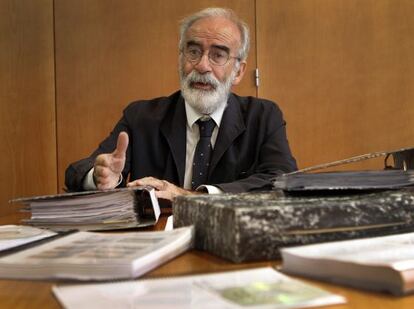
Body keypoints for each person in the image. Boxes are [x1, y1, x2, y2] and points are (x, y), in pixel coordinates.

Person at [65, 7, 297, 201]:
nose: (203, 66)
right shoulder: (141, 117)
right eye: (193, 52)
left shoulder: (263, 116)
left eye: (218, 55)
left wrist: (192, 196)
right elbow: (78, 171)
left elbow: (283, 180)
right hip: (157, 243)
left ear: (238, 71)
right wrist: (100, 175)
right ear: (180, 58)